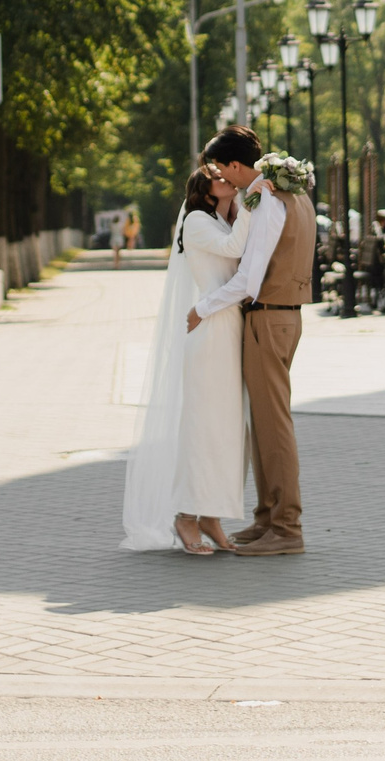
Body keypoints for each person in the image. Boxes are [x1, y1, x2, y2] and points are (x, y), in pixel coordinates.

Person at [188, 124, 314, 556]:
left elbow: (249, 277)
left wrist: (202, 308)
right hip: (282, 316)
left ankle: (286, 526)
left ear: (237, 165)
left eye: (222, 169)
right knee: (264, 424)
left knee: (274, 427)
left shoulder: (265, 200)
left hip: (269, 317)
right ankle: (268, 519)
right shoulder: (289, 191)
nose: (222, 178)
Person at [121, 166, 251, 554]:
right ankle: (184, 515)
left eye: (230, 177)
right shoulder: (196, 220)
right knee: (202, 427)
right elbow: (235, 251)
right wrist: (251, 201)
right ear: (202, 188)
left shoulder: (220, 220)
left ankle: (211, 514)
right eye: (218, 177)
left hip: (229, 327)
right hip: (209, 332)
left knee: (226, 429)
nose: (227, 180)